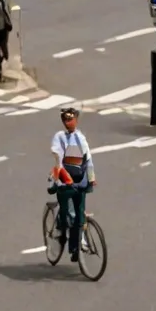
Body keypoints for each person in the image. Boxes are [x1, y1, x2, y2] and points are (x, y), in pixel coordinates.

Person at [49, 106, 96, 262]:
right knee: (69, 211)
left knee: (78, 213)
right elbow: (58, 158)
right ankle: (64, 232)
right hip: (65, 179)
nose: (68, 122)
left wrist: (91, 178)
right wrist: (59, 178)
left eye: (71, 119)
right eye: (66, 119)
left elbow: (87, 159)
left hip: (78, 180)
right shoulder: (60, 137)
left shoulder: (80, 138)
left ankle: (75, 245)